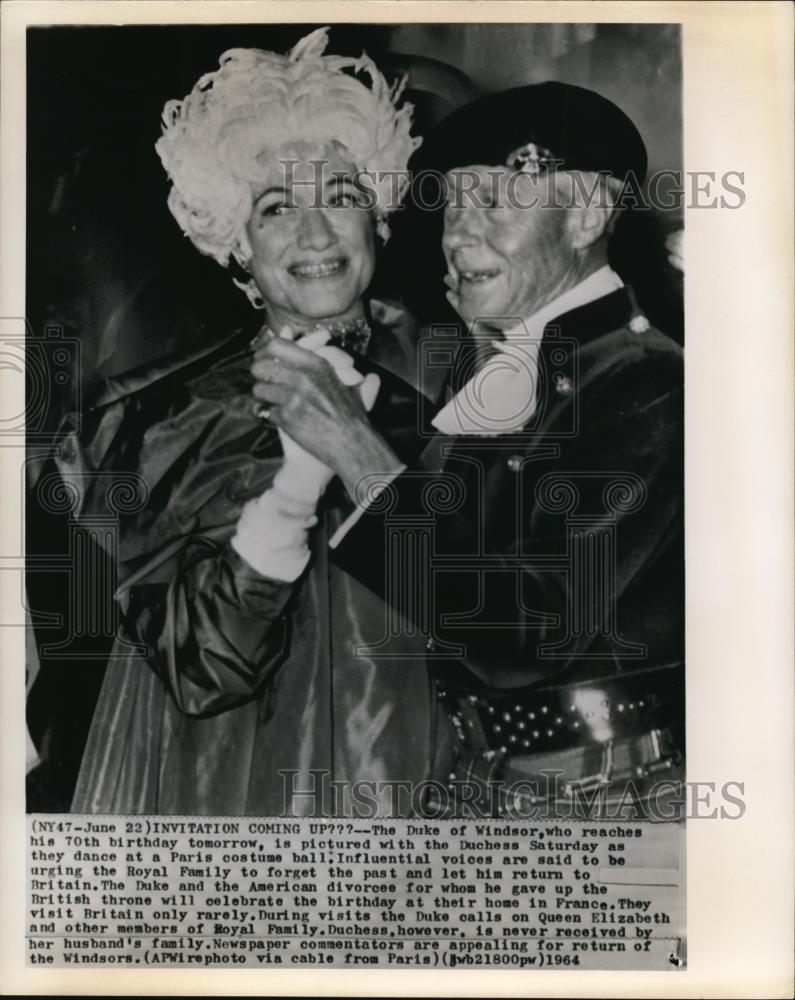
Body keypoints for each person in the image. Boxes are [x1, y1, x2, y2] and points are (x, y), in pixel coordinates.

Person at [250, 82, 685, 818]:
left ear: (586, 215)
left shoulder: (644, 379)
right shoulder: (544, 360)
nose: (457, 235)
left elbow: (519, 635)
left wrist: (354, 446)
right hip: (492, 778)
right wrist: (363, 395)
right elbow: (475, 522)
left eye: (493, 203)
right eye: (453, 207)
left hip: (596, 790)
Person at [52, 27, 439, 816]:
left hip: (441, 778)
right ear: (235, 243)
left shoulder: (466, 376)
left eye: (339, 197)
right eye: (276, 209)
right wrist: (297, 487)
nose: (315, 234)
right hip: (240, 789)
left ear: (379, 218)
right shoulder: (162, 416)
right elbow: (202, 669)